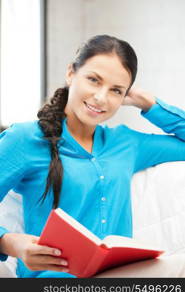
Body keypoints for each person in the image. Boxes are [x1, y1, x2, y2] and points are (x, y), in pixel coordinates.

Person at [0, 34, 185, 278]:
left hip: (119, 275)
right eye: (94, 80)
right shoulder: (25, 139)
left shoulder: (126, 143)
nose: (101, 98)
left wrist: (149, 103)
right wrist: (10, 243)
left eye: (116, 90)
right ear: (71, 73)